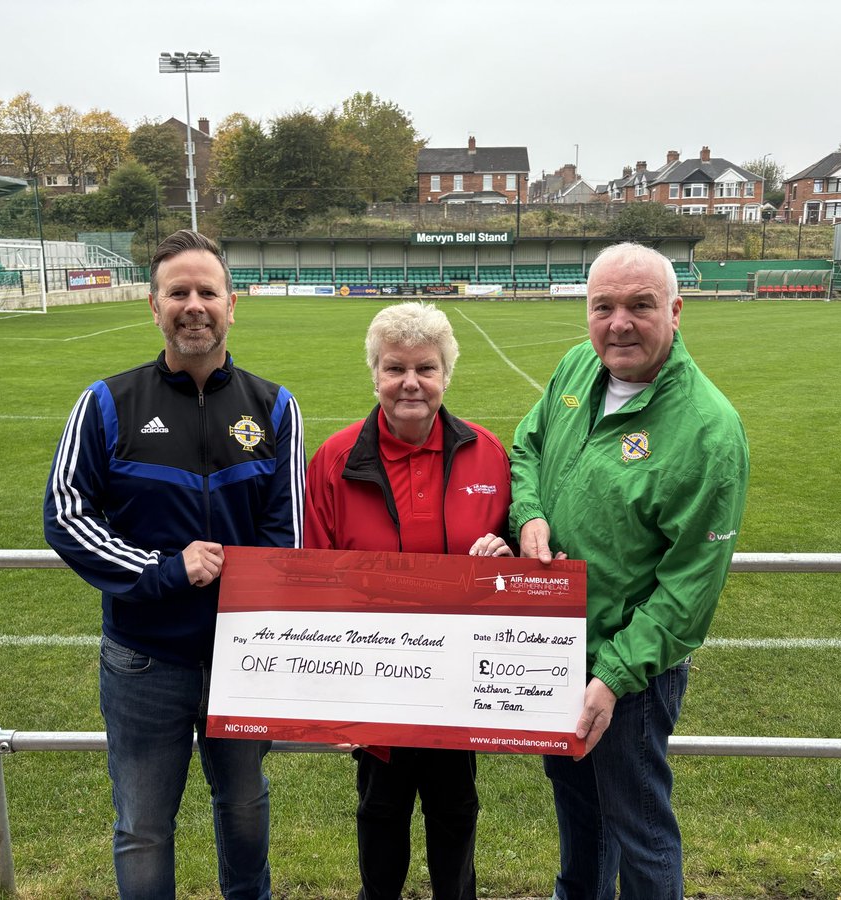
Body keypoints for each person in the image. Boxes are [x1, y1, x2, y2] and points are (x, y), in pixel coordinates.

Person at [43, 229, 305, 900]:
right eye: (177, 292)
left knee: (245, 808)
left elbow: (289, 536)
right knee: (143, 827)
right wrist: (164, 570)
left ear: (231, 305)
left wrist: (246, 606)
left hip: (242, 660)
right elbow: (67, 514)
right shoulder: (106, 402)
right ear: (153, 306)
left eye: (207, 292)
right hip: (143, 659)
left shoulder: (274, 406)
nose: (194, 305)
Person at [510, 242, 749, 900]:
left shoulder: (709, 431)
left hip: (631, 675)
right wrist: (529, 514)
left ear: (676, 310)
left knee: (639, 829)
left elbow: (688, 591)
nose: (619, 323)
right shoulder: (576, 367)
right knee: (578, 817)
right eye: (603, 307)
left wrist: (612, 678)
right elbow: (526, 446)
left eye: (640, 306)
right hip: (554, 649)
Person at [304, 301, 512, 900]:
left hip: (458, 685)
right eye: (395, 368)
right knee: (380, 819)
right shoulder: (336, 460)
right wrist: (333, 694)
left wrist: (502, 562)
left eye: (427, 368)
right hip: (377, 686)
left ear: (447, 373)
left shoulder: (488, 455)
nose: (411, 383)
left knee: (455, 817)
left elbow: (519, 570)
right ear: (374, 374)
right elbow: (315, 576)